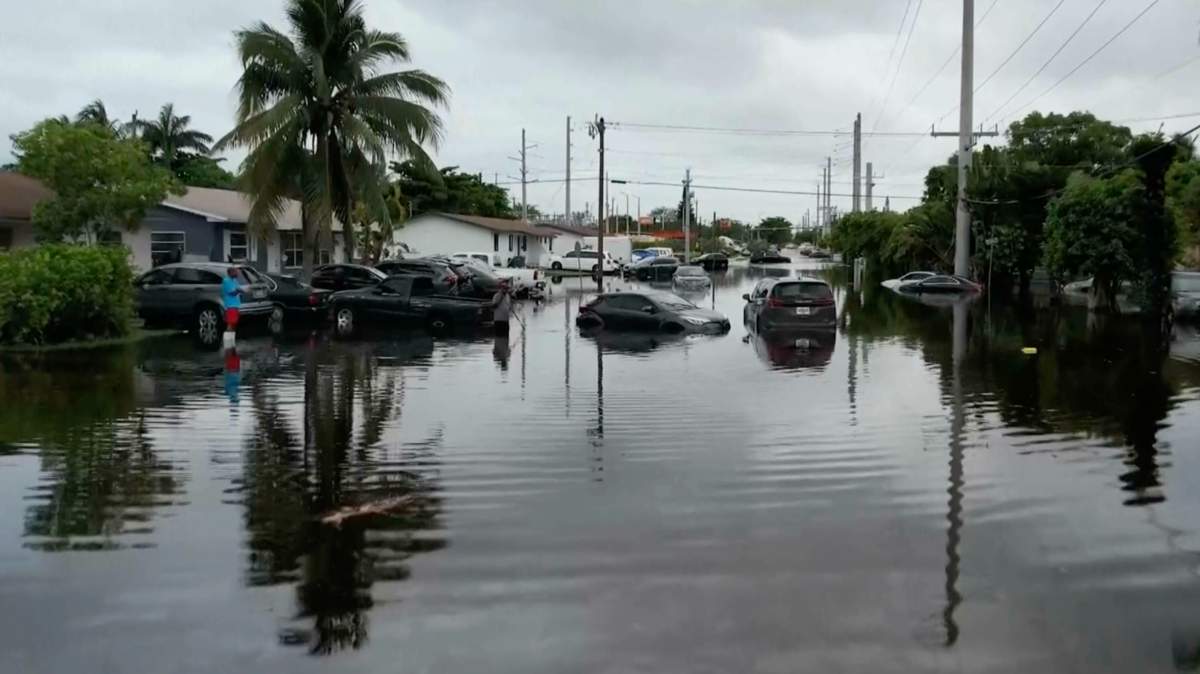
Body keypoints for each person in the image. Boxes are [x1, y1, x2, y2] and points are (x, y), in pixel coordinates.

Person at [221, 267, 244, 332]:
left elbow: (238, 288)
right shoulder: (226, 281)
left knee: (234, 323)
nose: (237, 273)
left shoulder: (235, 280)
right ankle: (227, 339)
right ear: (230, 273)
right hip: (230, 305)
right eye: (235, 272)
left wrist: (241, 290)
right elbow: (232, 293)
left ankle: (231, 339)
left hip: (236, 305)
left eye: (236, 271)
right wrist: (239, 291)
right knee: (230, 323)